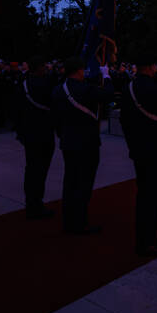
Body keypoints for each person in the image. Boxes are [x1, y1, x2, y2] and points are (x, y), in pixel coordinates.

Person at [120, 58, 157, 256]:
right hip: (156, 149)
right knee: (152, 197)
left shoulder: (128, 88)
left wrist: (132, 146)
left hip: (138, 149)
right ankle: (149, 242)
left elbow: (124, 120)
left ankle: (143, 238)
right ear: (152, 67)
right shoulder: (156, 89)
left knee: (143, 194)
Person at [52, 57, 113, 234]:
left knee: (70, 182)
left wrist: (62, 135)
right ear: (79, 70)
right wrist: (106, 76)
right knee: (83, 184)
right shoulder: (85, 89)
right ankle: (79, 223)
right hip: (87, 143)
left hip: (68, 142)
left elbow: (55, 117)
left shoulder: (57, 90)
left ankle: (68, 220)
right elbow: (108, 95)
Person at [15, 57, 56, 220]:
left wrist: (20, 132)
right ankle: (36, 204)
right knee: (40, 171)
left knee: (31, 169)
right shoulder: (46, 84)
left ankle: (31, 202)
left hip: (28, 133)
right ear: (40, 68)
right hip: (43, 133)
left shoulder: (22, 84)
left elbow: (16, 109)